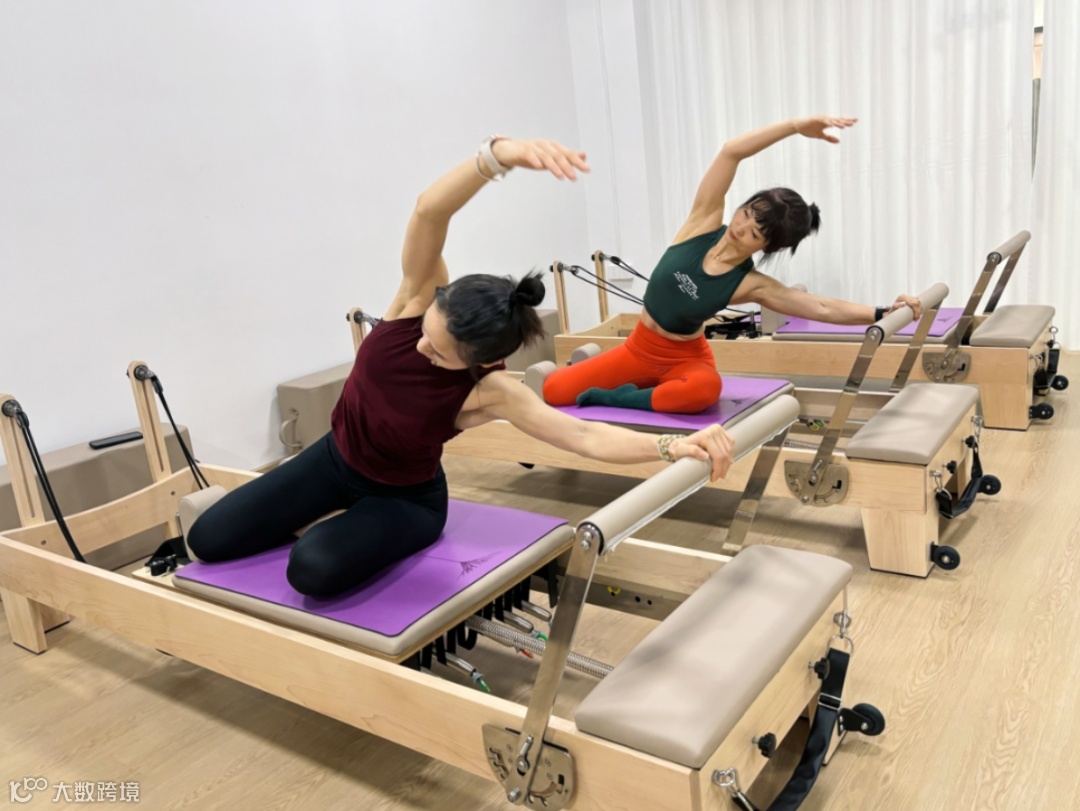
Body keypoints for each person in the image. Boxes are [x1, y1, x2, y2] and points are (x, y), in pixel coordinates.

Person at [186, 135, 735, 597]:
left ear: (483, 361)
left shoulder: (491, 391)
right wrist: (498, 156)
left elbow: (583, 437)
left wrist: (671, 446)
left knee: (310, 569)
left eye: (439, 353)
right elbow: (430, 210)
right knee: (207, 539)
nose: (421, 348)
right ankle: (328, 517)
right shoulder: (415, 299)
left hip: (404, 499)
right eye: (428, 333)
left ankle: (351, 529)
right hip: (333, 459)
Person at [542, 116, 923, 414]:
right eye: (746, 213)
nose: (740, 228)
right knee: (555, 390)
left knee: (705, 390)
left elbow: (821, 307)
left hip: (684, 359)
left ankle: (618, 398)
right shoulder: (703, 222)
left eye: (755, 233)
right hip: (638, 348)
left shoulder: (750, 284)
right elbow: (730, 153)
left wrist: (881, 312)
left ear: (767, 246)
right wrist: (795, 126)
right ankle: (644, 390)